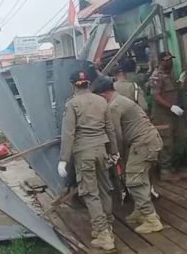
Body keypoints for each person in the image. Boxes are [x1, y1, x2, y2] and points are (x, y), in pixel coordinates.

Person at [94, 76, 164, 234]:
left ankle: (151, 219)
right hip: (146, 142)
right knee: (139, 178)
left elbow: (116, 136)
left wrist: (115, 154)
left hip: (143, 144)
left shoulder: (114, 106)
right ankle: (140, 210)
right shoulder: (121, 100)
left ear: (104, 94)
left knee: (134, 181)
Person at [58, 70, 119, 251]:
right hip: (101, 150)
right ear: (88, 83)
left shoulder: (72, 104)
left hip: (84, 153)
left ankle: (103, 234)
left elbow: (68, 133)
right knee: (104, 189)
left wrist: (64, 159)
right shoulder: (101, 101)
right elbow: (110, 128)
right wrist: (114, 151)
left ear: (72, 85)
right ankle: (107, 226)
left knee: (90, 193)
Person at [147, 51, 185, 180]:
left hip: (172, 114)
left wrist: (180, 82)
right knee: (166, 142)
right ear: (161, 61)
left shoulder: (169, 75)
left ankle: (171, 166)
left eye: (171, 59)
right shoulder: (156, 76)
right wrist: (171, 106)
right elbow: (156, 96)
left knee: (180, 138)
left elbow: (172, 91)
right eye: (167, 60)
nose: (170, 62)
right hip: (162, 115)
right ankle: (165, 171)